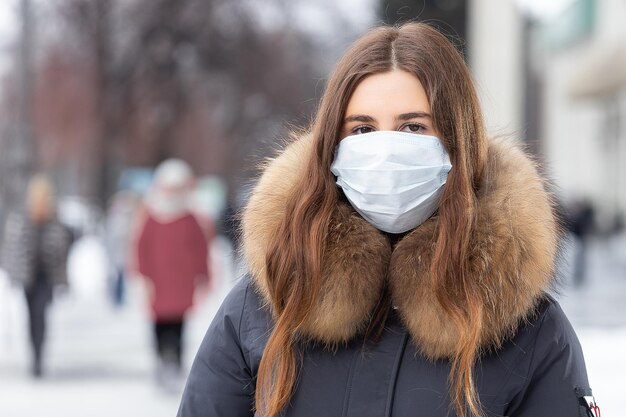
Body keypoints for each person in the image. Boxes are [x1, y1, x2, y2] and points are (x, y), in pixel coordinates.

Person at [177, 23, 597, 417]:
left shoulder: (531, 331)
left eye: (413, 127)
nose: (385, 149)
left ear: (458, 143)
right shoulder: (264, 305)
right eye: (362, 130)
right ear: (332, 147)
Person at [135, 159, 210, 390]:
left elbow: (201, 248)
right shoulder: (150, 213)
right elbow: (141, 247)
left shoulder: (190, 217)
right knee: (159, 324)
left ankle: (174, 361)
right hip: (158, 282)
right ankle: (162, 359)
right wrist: (143, 275)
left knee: (179, 324)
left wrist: (203, 274)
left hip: (181, 282)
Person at [1, 174, 70, 377]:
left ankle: (39, 356)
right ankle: (34, 353)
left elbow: (62, 253)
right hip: (28, 277)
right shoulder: (22, 218)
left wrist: (63, 279)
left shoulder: (54, 220)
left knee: (41, 315)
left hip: (46, 277)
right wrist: (12, 274)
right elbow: (12, 249)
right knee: (31, 316)